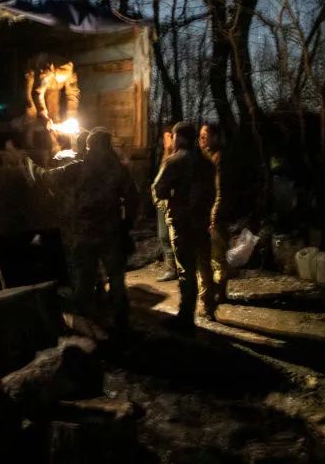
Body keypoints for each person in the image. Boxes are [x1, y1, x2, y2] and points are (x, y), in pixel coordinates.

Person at [24, 127, 138, 329]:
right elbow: (133, 200)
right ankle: (122, 321)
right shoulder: (119, 170)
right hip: (111, 234)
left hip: (84, 235)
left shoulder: (78, 168)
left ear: (90, 146)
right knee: (117, 279)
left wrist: (28, 163)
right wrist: (125, 226)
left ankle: (86, 324)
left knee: (85, 280)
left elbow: (45, 178)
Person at [152, 122, 217, 329]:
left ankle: (186, 317)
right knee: (204, 265)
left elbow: (159, 190)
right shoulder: (207, 163)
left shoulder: (174, 161)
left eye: (174, 136)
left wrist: (171, 196)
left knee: (186, 271)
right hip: (201, 221)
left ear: (179, 138)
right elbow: (212, 192)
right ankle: (209, 306)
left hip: (181, 222)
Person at [199, 122, 229, 310]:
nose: (201, 138)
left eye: (205, 135)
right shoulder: (206, 157)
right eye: (200, 135)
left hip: (215, 215)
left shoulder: (218, 158)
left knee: (217, 256)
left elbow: (220, 190)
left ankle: (220, 294)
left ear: (216, 137)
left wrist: (214, 217)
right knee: (210, 256)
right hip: (206, 213)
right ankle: (215, 292)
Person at [155, 128, 179, 281]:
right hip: (162, 203)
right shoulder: (164, 156)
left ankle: (176, 268)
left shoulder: (178, 158)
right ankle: (171, 267)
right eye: (165, 139)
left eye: (168, 138)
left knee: (171, 236)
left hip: (172, 202)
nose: (166, 142)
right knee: (163, 236)